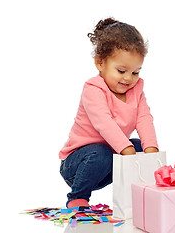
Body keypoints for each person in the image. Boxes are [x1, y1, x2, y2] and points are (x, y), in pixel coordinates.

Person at [59, 17, 159, 208]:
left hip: (109, 161)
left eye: (135, 72)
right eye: (121, 71)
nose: (129, 78)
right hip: (77, 164)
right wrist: (126, 150)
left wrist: (151, 151)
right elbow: (104, 123)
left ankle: (137, 200)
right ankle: (77, 197)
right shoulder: (93, 89)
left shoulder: (136, 90)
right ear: (100, 63)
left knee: (139, 147)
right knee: (103, 151)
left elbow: (144, 118)